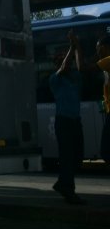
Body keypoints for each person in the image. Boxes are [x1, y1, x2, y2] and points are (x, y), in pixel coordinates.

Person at [49, 30, 86, 205]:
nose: (64, 62)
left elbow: (80, 65)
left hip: (75, 121)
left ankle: (61, 183)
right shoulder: (55, 79)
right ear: (56, 64)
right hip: (63, 121)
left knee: (78, 156)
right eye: (60, 60)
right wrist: (71, 47)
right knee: (67, 157)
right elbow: (65, 66)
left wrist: (77, 45)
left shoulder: (75, 77)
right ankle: (68, 191)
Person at [96, 35, 110, 162]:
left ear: (105, 47)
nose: (97, 52)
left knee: (106, 150)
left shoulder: (108, 61)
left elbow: (82, 68)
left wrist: (76, 47)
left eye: (98, 49)